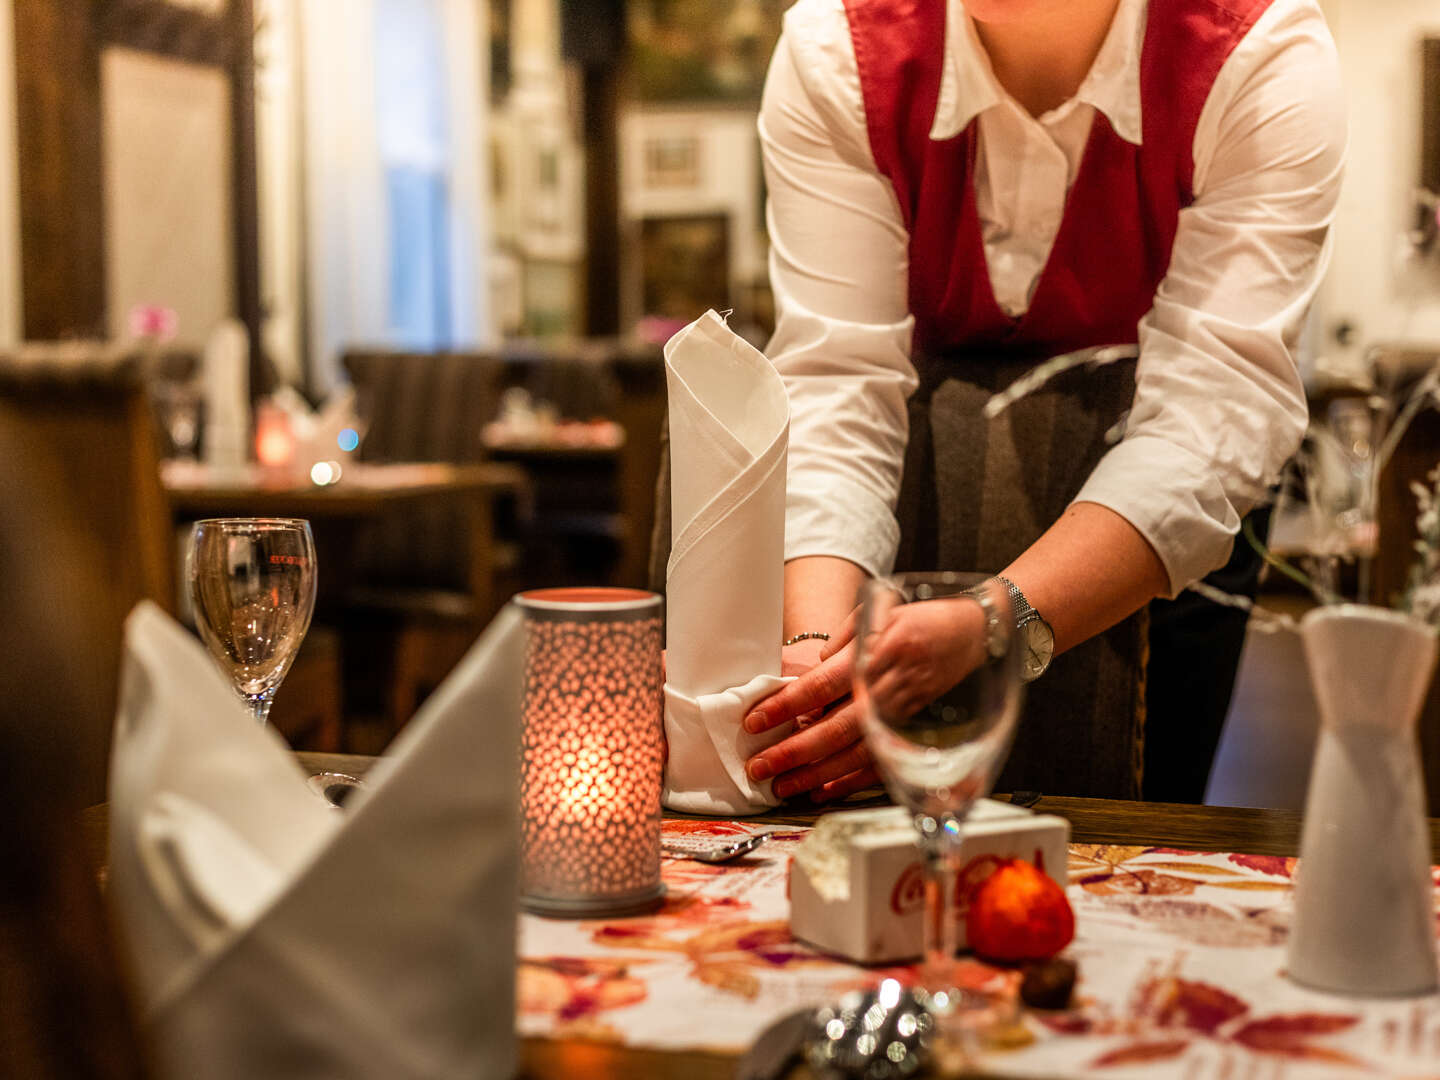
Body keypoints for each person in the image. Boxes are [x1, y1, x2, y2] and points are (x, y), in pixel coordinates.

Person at [737, 0, 1345, 802]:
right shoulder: (838, 51)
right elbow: (835, 385)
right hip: (906, 511)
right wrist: (818, 660)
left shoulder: (1258, 52)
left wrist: (999, 621)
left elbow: (1213, 415)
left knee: (1129, 868)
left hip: (1157, 545)